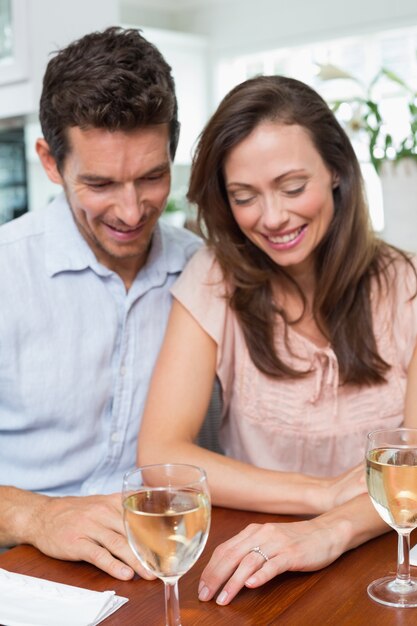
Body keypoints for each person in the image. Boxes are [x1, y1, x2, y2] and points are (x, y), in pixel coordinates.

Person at [138, 75, 417, 604]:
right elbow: (160, 452)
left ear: (336, 170)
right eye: (244, 197)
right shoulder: (213, 277)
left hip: (386, 561)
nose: (272, 218)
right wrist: (321, 493)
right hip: (254, 563)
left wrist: (330, 527)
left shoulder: (408, 288)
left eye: (292, 188)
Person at [0, 27, 202, 580]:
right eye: (100, 183)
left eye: (152, 176)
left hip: (165, 555)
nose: (132, 210)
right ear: (49, 161)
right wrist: (35, 515)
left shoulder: (204, 269)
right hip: (21, 561)